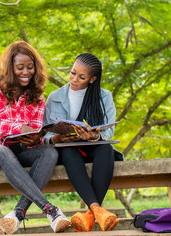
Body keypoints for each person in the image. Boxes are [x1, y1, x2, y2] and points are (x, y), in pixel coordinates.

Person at [0, 41, 71, 235]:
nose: (26, 72)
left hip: (18, 151)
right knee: (2, 151)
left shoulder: (37, 97)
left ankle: (17, 213)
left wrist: (38, 139)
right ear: (9, 67)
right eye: (20, 67)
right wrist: (16, 128)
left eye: (30, 67)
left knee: (49, 152)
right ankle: (50, 210)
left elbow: (35, 131)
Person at [43, 53, 120, 232]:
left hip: (93, 148)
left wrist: (94, 136)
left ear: (92, 79)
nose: (74, 79)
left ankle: (91, 214)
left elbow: (109, 131)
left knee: (106, 149)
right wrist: (56, 139)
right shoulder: (55, 97)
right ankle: (98, 211)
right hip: (68, 150)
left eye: (82, 77)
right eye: (72, 73)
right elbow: (43, 134)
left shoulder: (104, 96)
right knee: (69, 151)